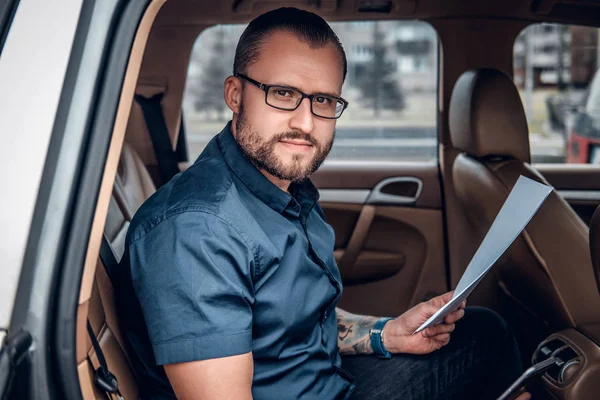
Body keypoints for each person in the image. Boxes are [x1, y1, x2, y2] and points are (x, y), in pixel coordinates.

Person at [115, 7, 531, 400]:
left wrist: (385, 334)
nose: (305, 122)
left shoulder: (286, 187)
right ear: (235, 94)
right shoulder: (196, 231)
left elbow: (292, 322)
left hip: (330, 381)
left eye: (324, 100)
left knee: (483, 333)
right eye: (282, 93)